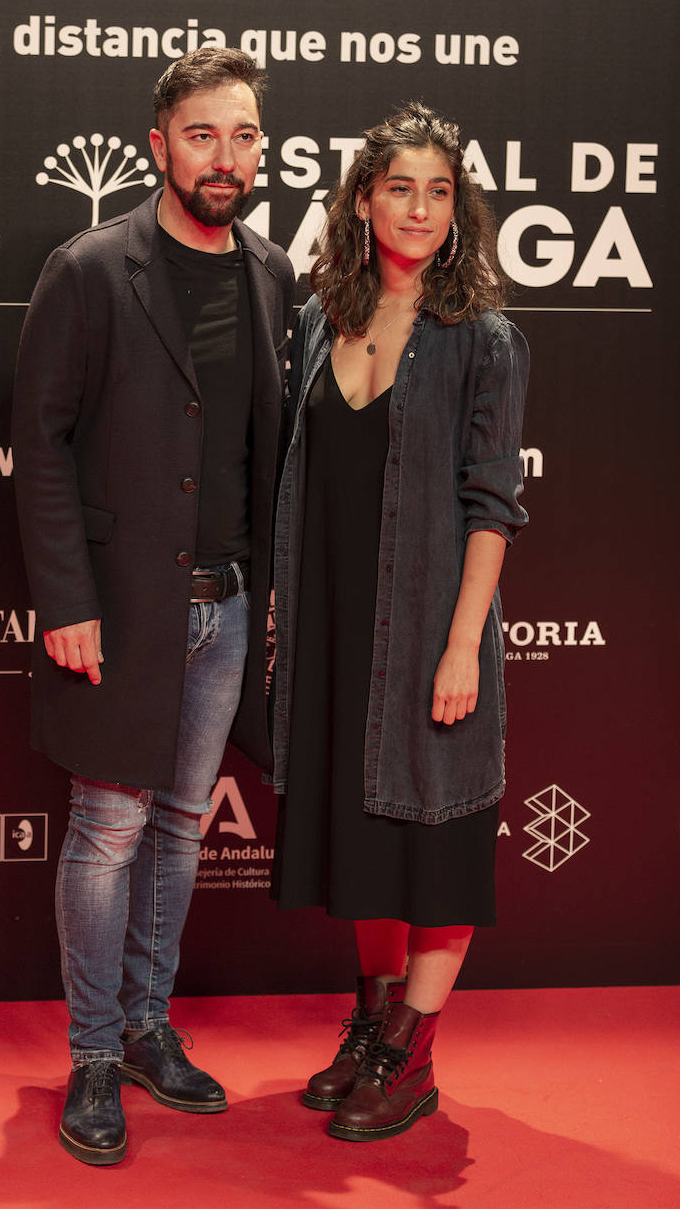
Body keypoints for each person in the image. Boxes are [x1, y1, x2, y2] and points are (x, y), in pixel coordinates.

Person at [12, 48, 296, 1166]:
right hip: (118, 610)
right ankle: (90, 1053)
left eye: (240, 137)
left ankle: (144, 1029)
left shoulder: (271, 273)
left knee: (180, 825)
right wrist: (64, 598)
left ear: (259, 150)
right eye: (200, 135)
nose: (222, 158)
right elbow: (39, 447)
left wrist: (269, 601)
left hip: (225, 609)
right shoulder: (91, 269)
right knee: (108, 827)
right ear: (158, 146)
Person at [270, 101, 529, 1143]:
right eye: (398, 188)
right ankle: (372, 1026)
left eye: (437, 190)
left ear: (457, 206)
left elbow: (491, 505)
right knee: (365, 845)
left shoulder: (484, 341)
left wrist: (461, 642)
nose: (417, 209)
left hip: (430, 629)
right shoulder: (312, 317)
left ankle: (412, 1055)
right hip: (334, 634)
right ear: (363, 199)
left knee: (438, 845)